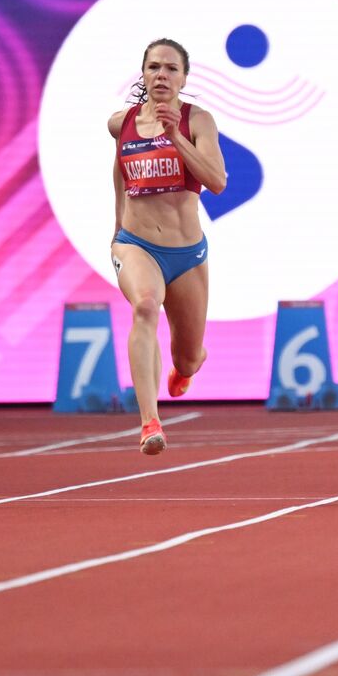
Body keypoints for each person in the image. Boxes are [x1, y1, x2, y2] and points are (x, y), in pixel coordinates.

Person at [109, 38, 226, 454]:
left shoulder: (198, 121)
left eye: (171, 68)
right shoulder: (119, 123)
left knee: (189, 356)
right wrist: (116, 228)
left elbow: (217, 181)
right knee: (144, 306)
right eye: (154, 67)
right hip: (136, 245)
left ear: (184, 78)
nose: (162, 74)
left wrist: (176, 135)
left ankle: (185, 368)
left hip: (187, 254)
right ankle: (149, 422)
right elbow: (120, 172)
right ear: (142, 74)